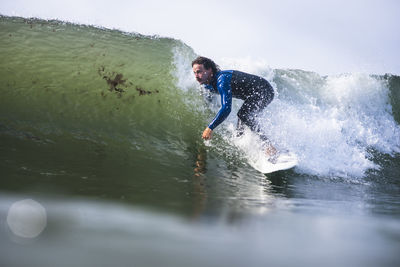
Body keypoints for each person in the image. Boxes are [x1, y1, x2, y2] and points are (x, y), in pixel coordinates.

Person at [192, 56, 277, 157]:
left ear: (210, 70)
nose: (196, 76)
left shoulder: (221, 80)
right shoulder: (207, 84)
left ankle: (269, 146)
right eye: (195, 73)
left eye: (199, 72)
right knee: (240, 130)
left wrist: (210, 127)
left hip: (264, 90)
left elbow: (226, 108)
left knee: (243, 115)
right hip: (253, 95)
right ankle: (254, 149)